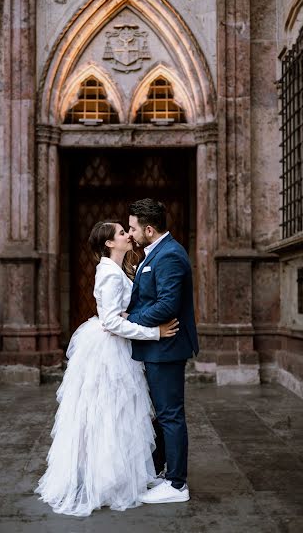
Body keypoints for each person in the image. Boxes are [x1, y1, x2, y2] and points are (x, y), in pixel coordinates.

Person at [35, 220, 179, 517]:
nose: (128, 235)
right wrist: (155, 333)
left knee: (118, 414)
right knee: (111, 413)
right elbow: (111, 322)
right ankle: (107, 478)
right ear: (110, 243)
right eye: (122, 233)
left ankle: (119, 473)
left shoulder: (116, 269)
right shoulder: (109, 274)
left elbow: (117, 312)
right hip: (109, 351)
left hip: (115, 346)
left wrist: (131, 314)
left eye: (128, 231)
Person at [125, 198, 199, 504]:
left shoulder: (169, 255)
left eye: (133, 228)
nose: (130, 234)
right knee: (163, 414)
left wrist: (129, 320)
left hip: (166, 348)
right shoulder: (154, 252)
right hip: (157, 347)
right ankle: (162, 473)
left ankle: (177, 484)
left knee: (170, 415)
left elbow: (167, 304)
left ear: (150, 229)